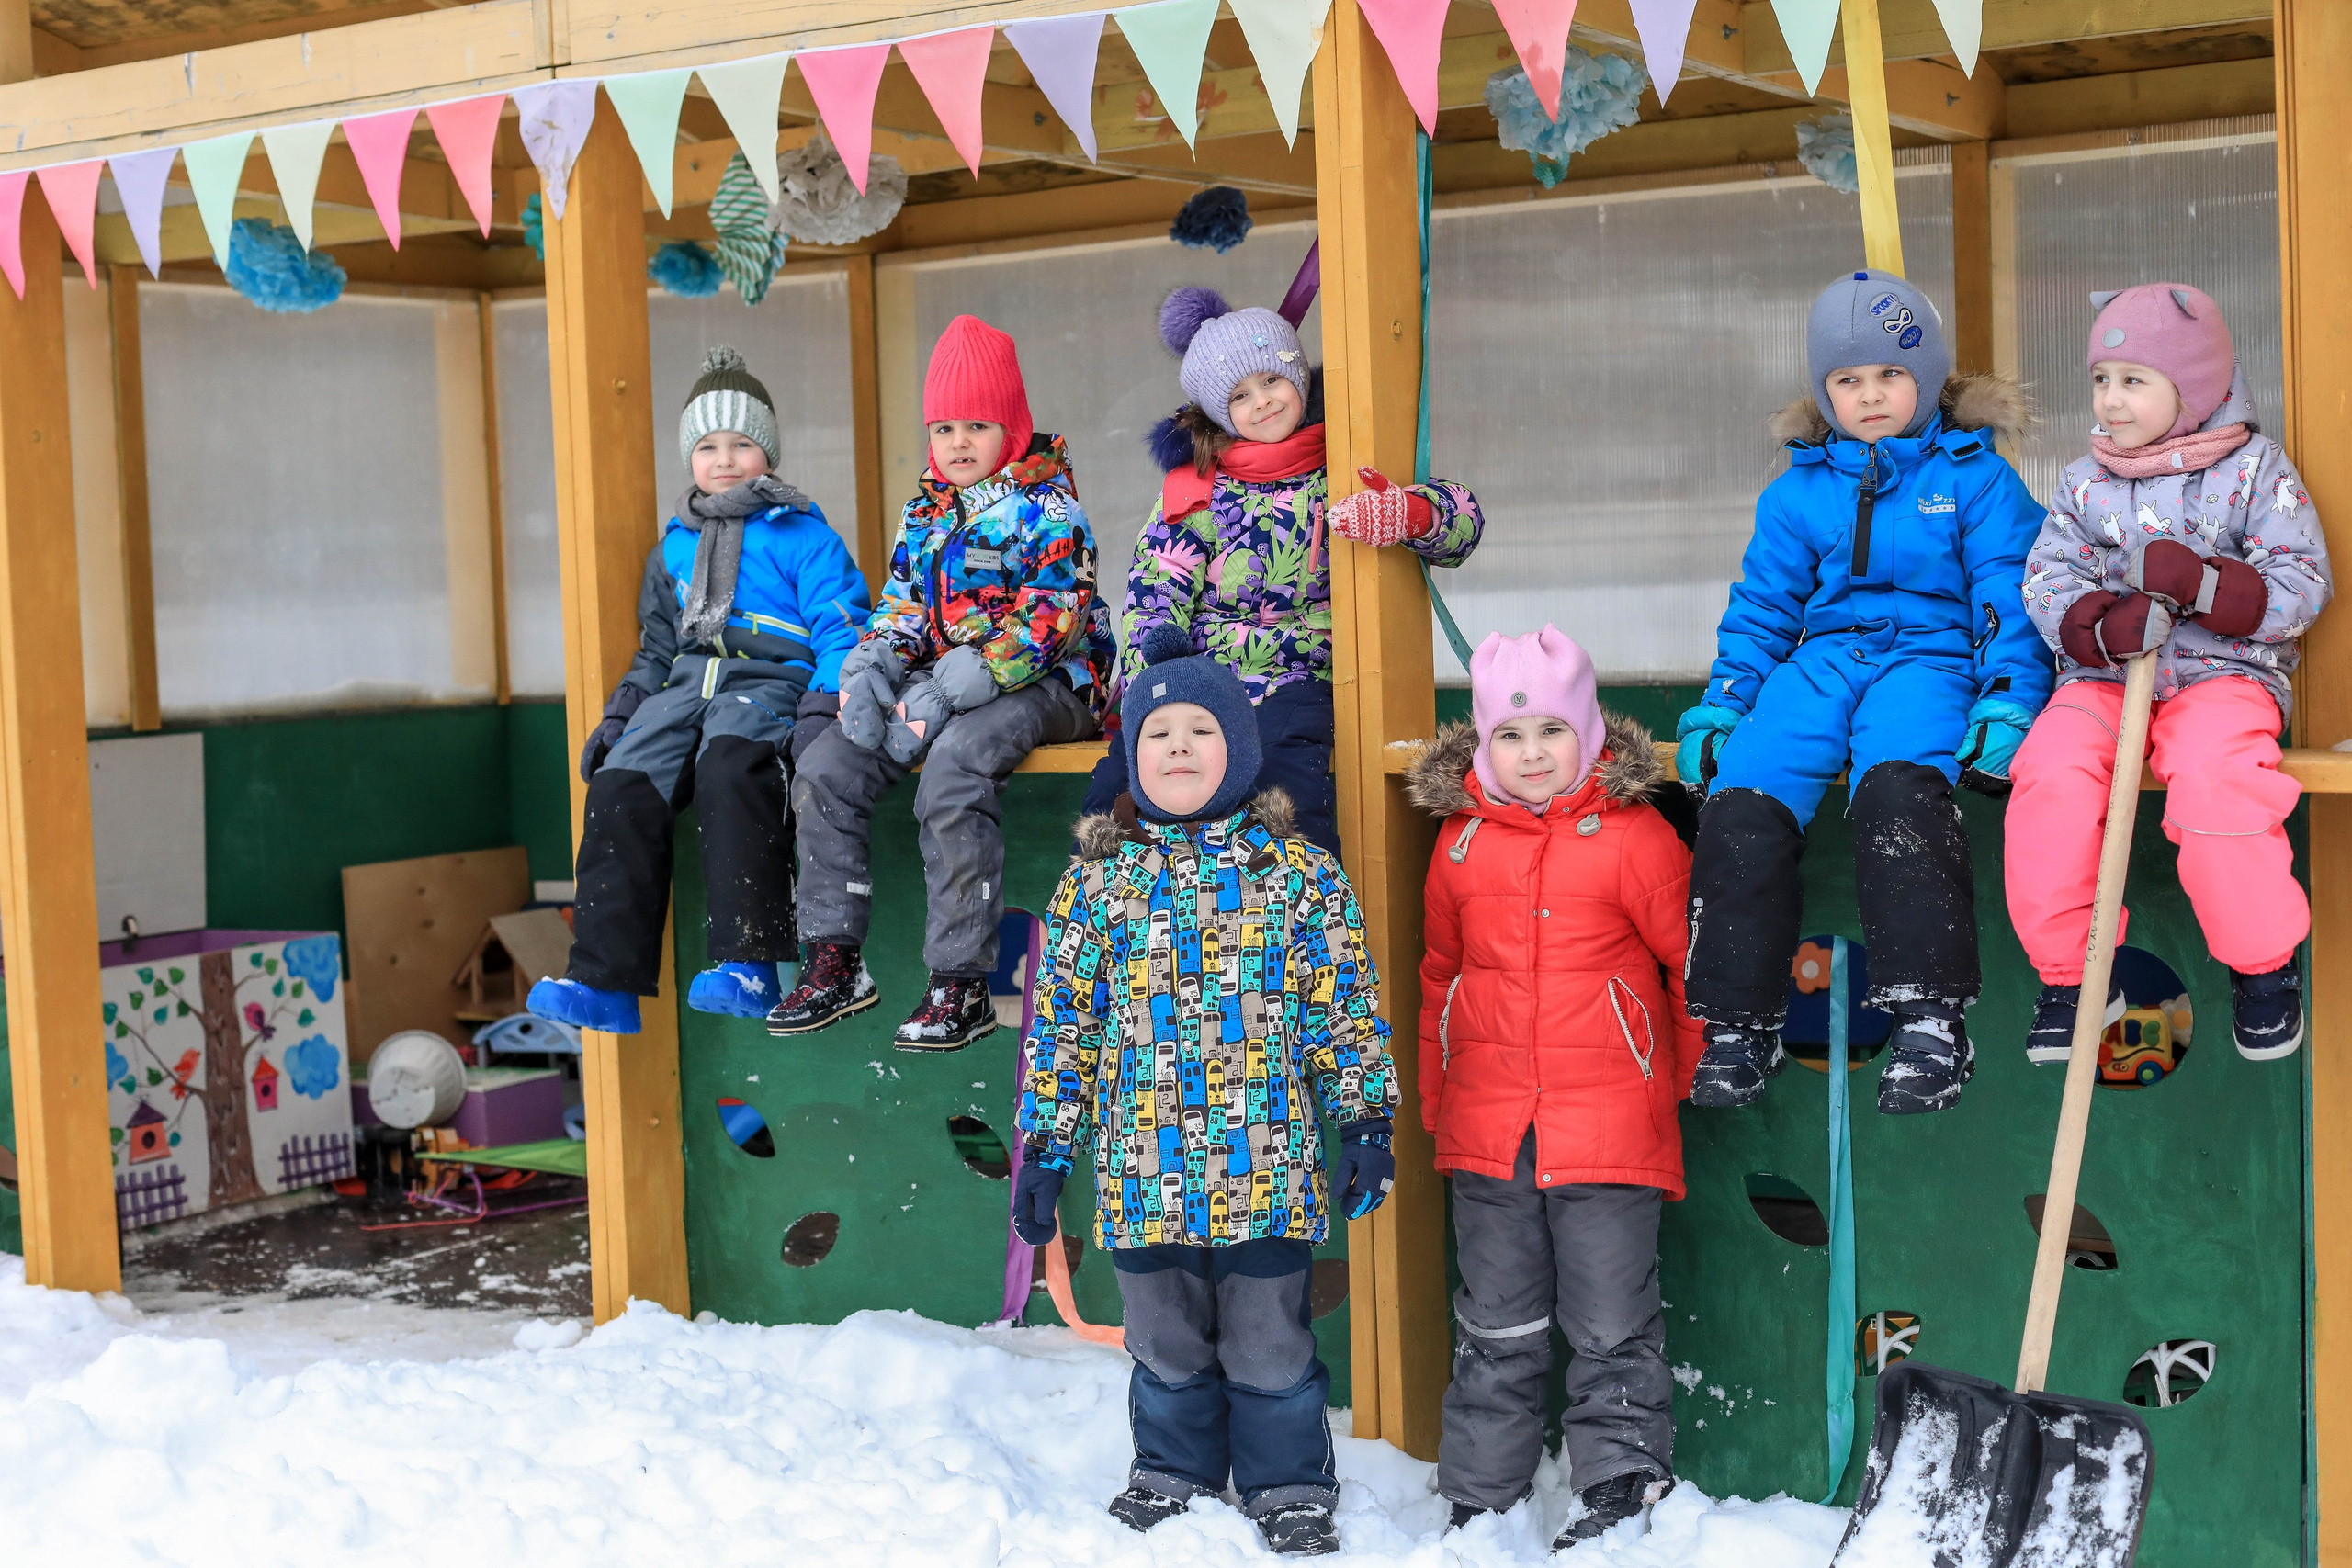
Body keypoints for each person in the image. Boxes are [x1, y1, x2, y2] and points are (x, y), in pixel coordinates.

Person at [1013, 623, 1398, 1558]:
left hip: (1269, 1167)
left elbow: (1342, 1006)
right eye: (1157, 733)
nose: (1178, 746)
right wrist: (1044, 1151)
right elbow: (1064, 1030)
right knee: (1165, 1342)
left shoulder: (1298, 875)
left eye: (1199, 729)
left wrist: (1366, 1119)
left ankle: (1289, 1485)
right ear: (1132, 760)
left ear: (1240, 750)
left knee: (1270, 1345)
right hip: (1143, 1177)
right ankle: (1171, 1471)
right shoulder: (1096, 886)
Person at [1675, 269, 2048, 1115]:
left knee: (1897, 792)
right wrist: (1727, 703)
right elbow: (1765, 608)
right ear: (1823, 391)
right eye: (1848, 381)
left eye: (1890, 375)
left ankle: (1930, 1019)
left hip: (1931, 659)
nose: (1870, 396)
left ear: (1928, 375)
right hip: (1824, 662)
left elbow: (2011, 593)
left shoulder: (1977, 479)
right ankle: (1737, 1022)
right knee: (1741, 798)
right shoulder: (1799, 490)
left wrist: (2008, 698)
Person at [1406, 626, 1699, 1548]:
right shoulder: (1458, 847)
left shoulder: (1636, 838)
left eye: (1551, 735)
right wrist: (1437, 1093)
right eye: (1509, 737)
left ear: (1589, 735)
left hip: (1608, 1118)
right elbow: (1439, 978)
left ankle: (1617, 1481)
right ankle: (1481, 1491)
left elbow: (1691, 967)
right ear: (1483, 744)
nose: (1531, 755)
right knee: (1496, 1318)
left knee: (1611, 1314)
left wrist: (1670, 1076)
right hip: (1491, 1121)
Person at [769, 315, 1114, 1051]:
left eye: (977, 425)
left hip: (1049, 682)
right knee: (827, 763)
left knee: (955, 766)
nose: (958, 442)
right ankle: (835, 957)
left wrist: (984, 667)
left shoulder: (1048, 507)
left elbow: (1058, 610)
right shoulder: (925, 510)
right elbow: (902, 603)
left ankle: (960, 982)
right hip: (940, 680)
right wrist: (877, 662)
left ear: (1012, 429)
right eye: (944, 426)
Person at [2007, 283, 2331, 1061]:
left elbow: (2302, 582)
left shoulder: (2257, 471)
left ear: (2195, 386)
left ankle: (2262, 964)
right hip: (2108, 683)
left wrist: (2209, 587)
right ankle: (2074, 974)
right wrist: (2099, 624)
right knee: (2049, 772)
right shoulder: (2087, 481)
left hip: (2225, 679)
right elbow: (2047, 579)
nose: (2110, 401)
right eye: (2100, 380)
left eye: (2133, 380)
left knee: (2217, 779)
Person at [529, 346, 869, 1034]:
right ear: (690, 456)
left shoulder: (804, 536)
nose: (724, 459)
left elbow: (843, 629)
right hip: (685, 687)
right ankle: (604, 978)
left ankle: (749, 961)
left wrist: (822, 707)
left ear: (766, 453)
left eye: (742, 444)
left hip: (767, 682)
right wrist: (624, 710)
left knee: (729, 768)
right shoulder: (675, 547)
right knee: (622, 782)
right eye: (709, 445)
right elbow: (657, 646)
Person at [1079, 286, 1486, 857]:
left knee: (1282, 782)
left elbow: (1463, 521)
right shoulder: (1198, 488)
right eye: (1240, 395)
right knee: (1121, 782)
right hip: (1203, 677)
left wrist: (1409, 513)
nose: (1263, 401)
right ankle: (1120, 916)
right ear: (1221, 414)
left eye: (1272, 380)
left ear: (1299, 377)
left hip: (1303, 676)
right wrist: (1161, 673)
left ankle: (1303, 907)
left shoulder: (1344, 458)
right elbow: (1156, 588)